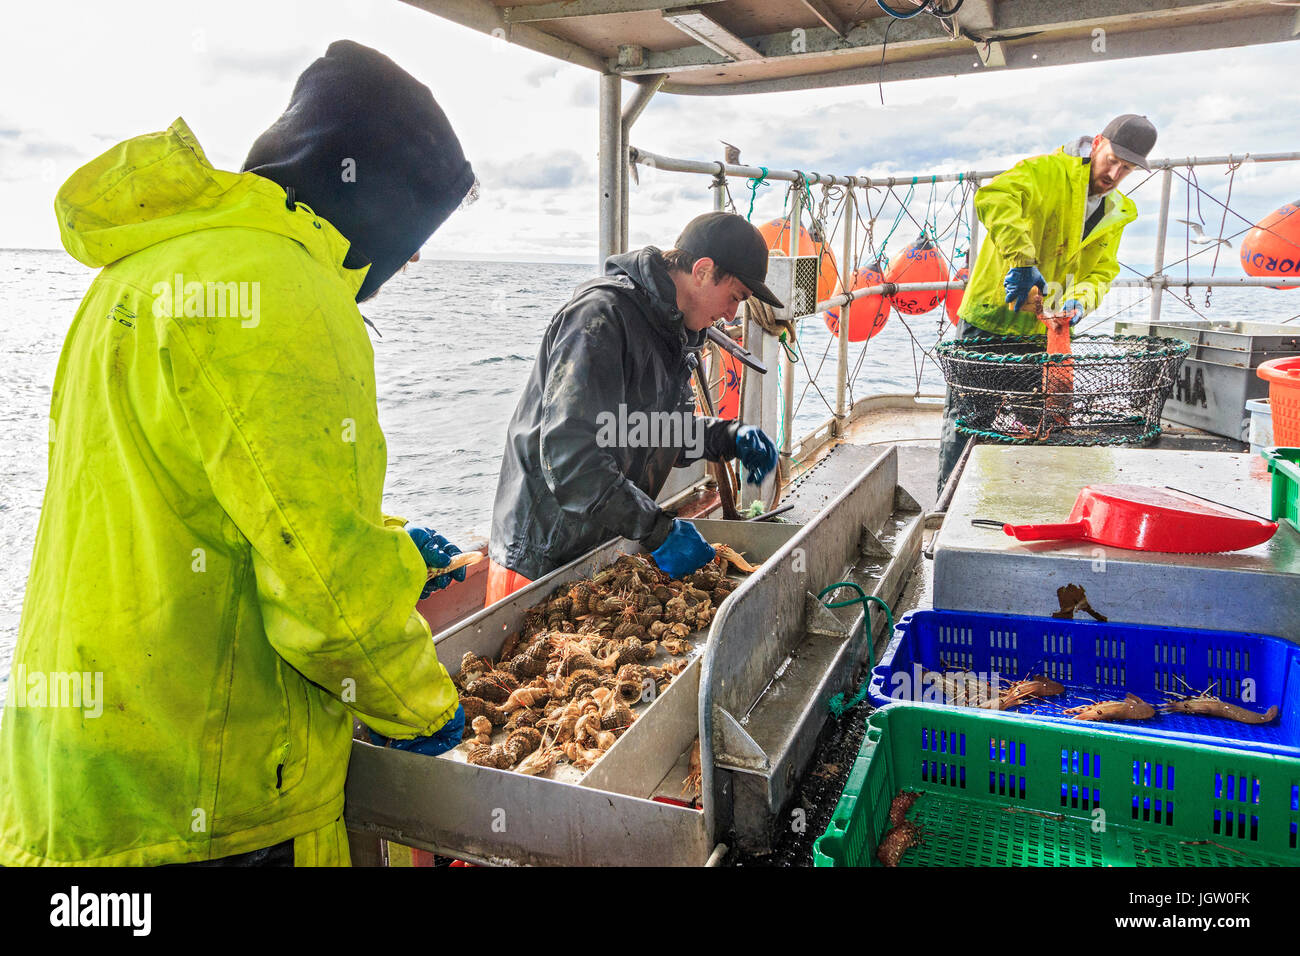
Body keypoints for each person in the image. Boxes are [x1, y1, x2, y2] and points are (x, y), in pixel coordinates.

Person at [0, 41, 476, 867]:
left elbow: (214, 490)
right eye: (414, 239)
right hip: (206, 797)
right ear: (376, 206)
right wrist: (425, 708)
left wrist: (390, 540)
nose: (408, 263)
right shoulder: (288, 294)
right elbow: (324, 591)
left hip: (81, 780)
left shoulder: (145, 266)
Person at [488, 212, 782, 599]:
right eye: (735, 298)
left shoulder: (674, 332)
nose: (732, 315)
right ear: (703, 270)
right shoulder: (601, 317)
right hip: (540, 559)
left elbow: (650, 432)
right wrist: (657, 531)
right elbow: (569, 458)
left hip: (601, 551)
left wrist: (727, 437)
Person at [936, 114, 1156, 492]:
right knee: (969, 420)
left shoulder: (1117, 212)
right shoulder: (1048, 171)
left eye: (1128, 168)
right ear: (1098, 142)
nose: (1116, 173)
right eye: (1113, 160)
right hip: (991, 317)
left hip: (1048, 332)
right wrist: (1022, 261)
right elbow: (993, 196)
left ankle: (1019, 505)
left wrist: (1080, 301)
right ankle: (947, 510)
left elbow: (1101, 271)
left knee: (1042, 424)